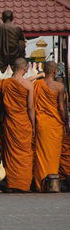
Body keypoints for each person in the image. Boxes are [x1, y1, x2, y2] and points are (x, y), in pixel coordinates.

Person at [0, 58, 35, 192]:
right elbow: (30, 108)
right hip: (24, 124)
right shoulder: (29, 85)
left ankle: (12, 184)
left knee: (11, 153)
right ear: (24, 69)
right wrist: (33, 125)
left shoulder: (4, 84)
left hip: (10, 123)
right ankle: (23, 185)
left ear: (13, 68)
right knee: (25, 155)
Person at [33, 61, 67, 192]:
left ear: (43, 70)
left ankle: (40, 184)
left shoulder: (36, 85)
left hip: (41, 123)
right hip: (54, 124)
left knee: (41, 154)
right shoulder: (59, 86)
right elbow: (61, 108)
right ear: (55, 72)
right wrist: (65, 121)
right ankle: (52, 183)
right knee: (53, 155)